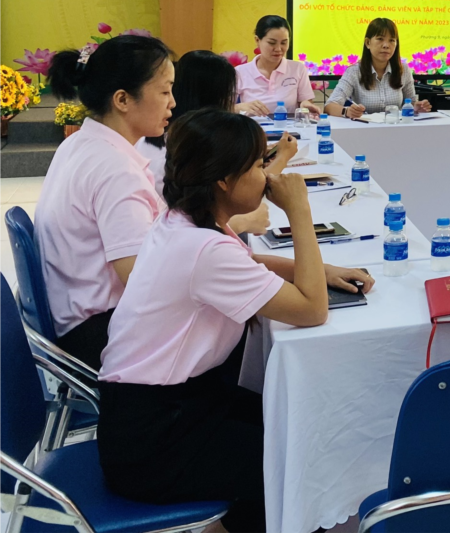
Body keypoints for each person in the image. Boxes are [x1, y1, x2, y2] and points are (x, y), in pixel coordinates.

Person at [96, 109, 374, 533]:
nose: (266, 177)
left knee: (298, 425)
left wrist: (322, 270)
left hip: (163, 409)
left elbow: (246, 262)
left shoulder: (183, 221)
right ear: (224, 181)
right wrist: (299, 211)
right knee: (301, 459)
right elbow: (312, 310)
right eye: (258, 166)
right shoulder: (203, 248)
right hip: (155, 441)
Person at [35, 35, 175, 368]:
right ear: (122, 99)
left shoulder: (80, 143)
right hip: (99, 332)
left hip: (71, 318)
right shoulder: (115, 170)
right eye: (165, 91)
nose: (172, 103)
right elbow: (143, 280)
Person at [137, 50, 296, 200]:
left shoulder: (162, 131)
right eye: (229, 94)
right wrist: (282, 157)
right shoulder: (199, 142)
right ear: (213, 98)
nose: (230, 102)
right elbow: (247, 194)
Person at [324, 18, 430, 120]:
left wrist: (417, 107)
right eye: (380, 39)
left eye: (391, 40)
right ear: (368, 43)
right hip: (365, 129)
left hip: (395, 127)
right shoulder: (354, 72)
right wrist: (346, 111)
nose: (386, 45)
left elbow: (411, 102)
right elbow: (329, 106)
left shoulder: (404, 70)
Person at [234, 16, 318, 118]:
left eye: (284, 43)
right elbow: (222, 109)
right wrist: (239, 107)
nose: (278, 49)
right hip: (253, 126)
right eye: (272, 43)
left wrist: (305, 106)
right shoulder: (239, 72)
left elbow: (306, 102)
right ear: (257, 40)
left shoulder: (298, 69)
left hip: (288, 127)